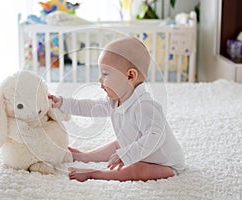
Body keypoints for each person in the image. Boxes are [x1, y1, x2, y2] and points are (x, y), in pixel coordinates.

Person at [48, 36, 185, 182]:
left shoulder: (145, 106)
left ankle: (95, 173)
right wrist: (63, 103)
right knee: (119, 144)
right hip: (136, 147)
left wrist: (126, 155)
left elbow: (155, 137)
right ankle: (85, 157)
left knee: (136, 168)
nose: (100, 80)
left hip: (164, 164)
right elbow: (91, 107)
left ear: (130, 76)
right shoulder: (115, 101)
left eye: (105, 74)